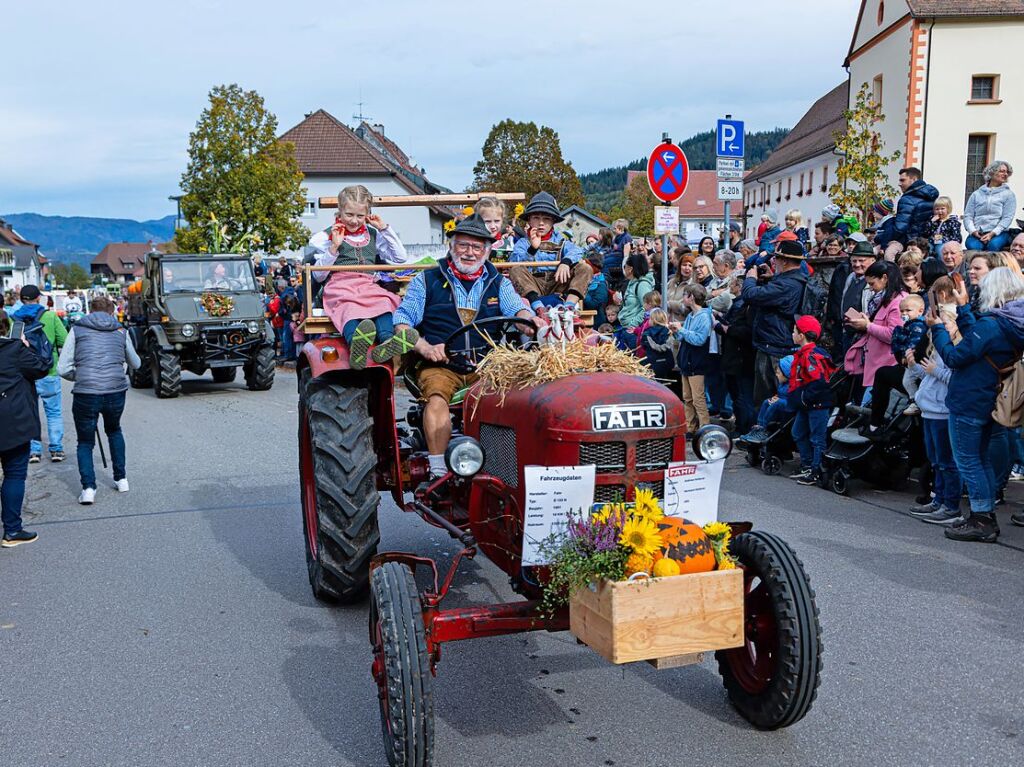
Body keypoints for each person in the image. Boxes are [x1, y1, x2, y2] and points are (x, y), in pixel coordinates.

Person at [392, 214, 540, 478]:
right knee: (436, 398)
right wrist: (426, 348)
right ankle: (437, 469)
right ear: (452, 246)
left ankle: (506, 467)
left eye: (477, 247)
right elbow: (402, 323)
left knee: (519, 401)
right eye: (463, 245)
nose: (470, 253)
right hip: (441, 364)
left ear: (486, 251)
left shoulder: (498, 282)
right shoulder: (426, 281)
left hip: (488, 365)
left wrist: (530, 322)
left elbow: (518, 311)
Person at [929, 268, 1024, 541]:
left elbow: (956, 356)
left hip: (970, 397)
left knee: (969, 460)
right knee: (980, 459)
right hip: (989, 396)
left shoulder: (993, 325)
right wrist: (964, 308)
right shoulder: (1011, 323)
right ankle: (983, 515)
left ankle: (982, 520)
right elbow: (977, 341)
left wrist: (937, 330)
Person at [307, 185, 418, 370]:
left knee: (385, 301)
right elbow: (318, 276)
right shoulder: (326, 237)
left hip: (367, 283)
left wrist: (384, 229)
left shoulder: (373, 234)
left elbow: (400, 257)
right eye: (349, 214)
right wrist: (334, 247)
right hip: (340, 284)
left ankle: (387, 342)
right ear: (340, 212)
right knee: (348, 307)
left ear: (368, 215)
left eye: (360, 216)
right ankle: (356, 346)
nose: (354, 220)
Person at [57, 296, 142, 505]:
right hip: (115, 390)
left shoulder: (77, 330)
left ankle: (88, 489)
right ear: (112, 311)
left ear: (90, 311)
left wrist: (82, 375)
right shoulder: (121, 331)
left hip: (86, 392)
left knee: (85, 441)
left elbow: (63, 368)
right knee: (114, 430)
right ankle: (121, 479)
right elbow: (136, 363)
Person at [0, 309, 51, 547]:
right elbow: (42, 367)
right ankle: (12, 531)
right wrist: (26, 345)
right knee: (14, 474)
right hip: (13, 421)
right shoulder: (14, 349)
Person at [741, 239, 808, 407]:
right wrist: (771, 278)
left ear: (784, 261)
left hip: (774, 347)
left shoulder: (786, 285)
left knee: (768, 397)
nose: (773, 261)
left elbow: (751, 295)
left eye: (776, 258)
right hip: (778, 343)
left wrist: (750, 279)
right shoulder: (794, 280)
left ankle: (766, 428)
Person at [11, 285, 68, 462]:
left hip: (26, 375)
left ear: (21, 300)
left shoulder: (15, 319)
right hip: (48, 371)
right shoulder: (50, 316)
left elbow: (12, 345)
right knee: (54, 412)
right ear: (38, 298)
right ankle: (56, 449)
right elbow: (64, 340)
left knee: (31, 412)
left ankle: (34, 451)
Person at [509, 192, 591, 313]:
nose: (541, 223)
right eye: (536, 218)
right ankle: (539, 307)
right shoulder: (522, 242)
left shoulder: (561, 240)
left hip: (558, 283)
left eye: (546, 219)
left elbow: (577, 251)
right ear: (529, 221)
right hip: (533, 285)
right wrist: (532, 249)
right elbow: (515, 260)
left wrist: (565, 262)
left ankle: (568, 307)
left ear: (553, 221)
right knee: (515, 269)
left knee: (585, 268)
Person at [843, 261, 907, 404]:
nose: (871, 289)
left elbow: (894, 334)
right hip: (875, 364)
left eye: (872, 284)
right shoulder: (884, 299)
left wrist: (868, 326)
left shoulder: (899, 302)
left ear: (884, 278)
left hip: (885, 365)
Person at [863, 294, 927, 433]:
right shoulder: (906, 326)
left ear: (920, 310)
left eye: (908, 311)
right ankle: (877, 421)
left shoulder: (918, 326)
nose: (904, 314)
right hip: (907, 364)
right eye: (902, 311)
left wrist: (906, 353)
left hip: (916, 367)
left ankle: (913, 401)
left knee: (904, 380)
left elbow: (913, 343)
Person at [787, 316, 835, 485]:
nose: (792, 333)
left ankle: (817, 470)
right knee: (798, 432)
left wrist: (805, 399)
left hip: (817, 405)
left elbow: (818, 381)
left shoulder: (810, 356)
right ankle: (807, 464)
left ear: (801, 335)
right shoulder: (803, 354)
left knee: (817, 438)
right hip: (807, 405)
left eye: (794, 330)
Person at [670, 284, 714, 434]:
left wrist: (681, 329)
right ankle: (690, 427)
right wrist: (676, 331)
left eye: (685, 295)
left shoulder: (704, 317)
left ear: (691, 297)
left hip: (697, 362)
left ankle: (705, 428)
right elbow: (683, 337)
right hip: (686, 362)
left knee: (698, 399)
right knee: (687, 398)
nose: (682, 298)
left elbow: (699, 340)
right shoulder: (690, 316)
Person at [717, 277, 756, 436]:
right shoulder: (742, 304)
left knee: (741, 395)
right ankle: (742, 426)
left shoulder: (745, 306)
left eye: (732, 284)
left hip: (740, 357)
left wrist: (721, 326)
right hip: (735, 356)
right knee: (738, 394)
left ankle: (744, 428)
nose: (729, 287)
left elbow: (741, 331)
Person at [885, 167, 939, 260]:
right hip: (929, 241)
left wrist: (885, 239)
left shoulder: (907, 199)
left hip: (910, 241)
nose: (899, 184)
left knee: (887, 255)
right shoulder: (931, 196)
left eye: (903, 180)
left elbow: (900, 227)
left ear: (914, 180)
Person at [964, 160, 1016, 252]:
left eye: (1007, 172)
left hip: (999, 233)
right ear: (991, 173)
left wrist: (992, 233)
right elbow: (968, 215)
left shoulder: (1009, 195)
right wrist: (973, 231)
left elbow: (1007, 218)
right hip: (978, 232)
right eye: (1001, 171)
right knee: (973, 246)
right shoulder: (976, 194)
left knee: (993, 245)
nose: (1005, 174)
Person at [616, 252, 654, 349]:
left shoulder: (642, 285)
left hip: (634, 332)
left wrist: (633, 324)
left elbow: (648, 308)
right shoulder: (632, 282)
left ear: (630, 269)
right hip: (626, 329)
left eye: (625, 266)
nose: (624, 269)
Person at [640, 308, 675, 382]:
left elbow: (643, 346)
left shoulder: (646, 333)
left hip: (652, 363)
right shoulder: (669, 332)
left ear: (652, 320)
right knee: (666, 384)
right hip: (667, 362)